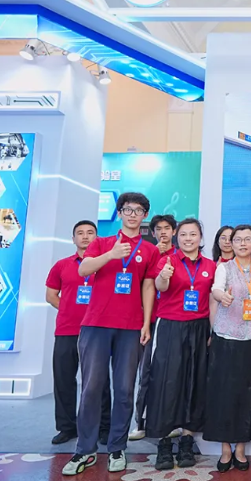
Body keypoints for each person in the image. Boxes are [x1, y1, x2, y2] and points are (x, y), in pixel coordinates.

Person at [62, 192, 160, 476]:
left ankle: (117, 446)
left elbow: (148, 287)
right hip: (96, 324)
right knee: (92, 388)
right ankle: (85, 449)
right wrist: (111, 255)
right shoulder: (102, 243)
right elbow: (84, 268)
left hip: (130, 327)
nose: (133, 214)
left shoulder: (150, 250)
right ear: (119, 213)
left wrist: (146, 323)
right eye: (128, 209)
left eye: (139, 210)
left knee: (125, 389)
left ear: (144, 216)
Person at [147, 218, 215, 470]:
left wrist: (212, 331)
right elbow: (160, 286)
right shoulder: (168, 261)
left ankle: (187, 439)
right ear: (177, 237)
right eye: (184, 234)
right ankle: (164, 442)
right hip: (171, 326)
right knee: (167, 381)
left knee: (194, 381)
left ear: (200, 237)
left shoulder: (210, 265)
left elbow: (213, 299)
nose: (188, 239)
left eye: (193, 234)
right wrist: (163, 277)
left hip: (199, 327)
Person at [205, 224, 251, 472]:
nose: (242, 243)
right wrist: (222, 296)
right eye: (238, 240)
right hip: (226, 338)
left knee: (248, 396)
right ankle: (225, 450)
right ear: (231, 244)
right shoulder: (224, 268)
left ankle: (241, 449)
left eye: (247, 239)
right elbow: (216, 288)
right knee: (223, 395)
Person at [45, 220, 111, 446]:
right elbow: (51, 295)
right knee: (64, 379)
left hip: (97, 330)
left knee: (99, 381)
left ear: (97, 238)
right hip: (67, 330)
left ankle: (104, 427)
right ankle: (66, 427)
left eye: (90, 233)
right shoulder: (62, 265)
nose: (85, 237)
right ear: (73, 239)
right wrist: (67, 309)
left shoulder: (105, 264)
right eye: (80, 233)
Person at [130, 214, 178, 442]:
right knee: (146, 372)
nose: (163, 232)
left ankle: (171, 421)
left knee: (172, 373)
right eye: (158, 228)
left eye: (167, 228)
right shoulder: (148, 254)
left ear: (174, 231)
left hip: (173, 322)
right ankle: (141, 422)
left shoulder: (180, 256)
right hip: (150, 321)